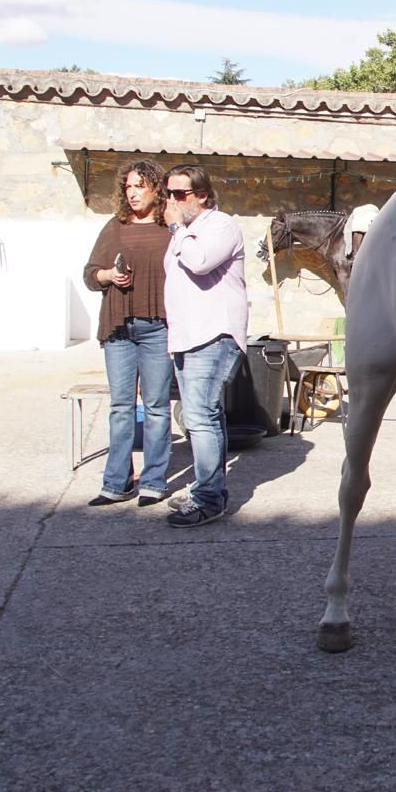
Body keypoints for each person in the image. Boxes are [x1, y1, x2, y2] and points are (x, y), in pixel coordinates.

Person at [82, 160, 175, 507]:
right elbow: (90, 274)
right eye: (128, 187)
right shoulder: (115, 227)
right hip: (119, 327)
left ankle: (153, 482)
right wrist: (108, 275)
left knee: (156, 407)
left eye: (140, 186)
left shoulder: (170, 228)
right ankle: (116, 483)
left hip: (159, 328)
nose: (133, 193)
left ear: (156, 189)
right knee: (121, 406)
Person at [162, 164, 248, 527]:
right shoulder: (188, 232)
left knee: (199, 417)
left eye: (179, 194)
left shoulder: (220, 226)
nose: (172, 201)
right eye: (168, 193)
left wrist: (176, 228)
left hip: (213, 335)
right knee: (203, 416)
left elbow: (199, 262)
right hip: (188, 336)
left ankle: (209, 500)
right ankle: (209, 490)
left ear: (202, 195)